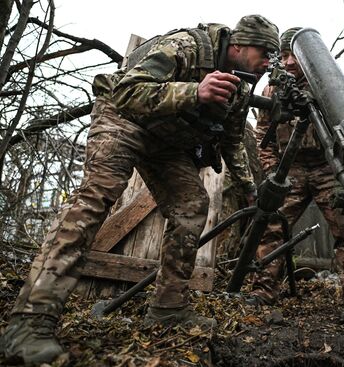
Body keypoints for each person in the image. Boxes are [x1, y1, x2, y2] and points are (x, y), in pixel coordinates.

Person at [0, 15, 279, 365]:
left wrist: (250, 188)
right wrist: (195, 91)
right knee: (96, 197)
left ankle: (168, 307)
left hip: (164, 141)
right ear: (238, 45)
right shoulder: (187, 46)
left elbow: (233, 140)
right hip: (122, 118)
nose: (270, 62)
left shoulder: (240, 86)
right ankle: (29, 321)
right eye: (265, 52)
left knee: (192, 204)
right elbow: (127, 90)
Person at [250, 27, 344, 325]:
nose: (289, 61)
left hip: (329, 169)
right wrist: (271, 172)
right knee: (270, 228)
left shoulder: (331, 86)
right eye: (283, 55)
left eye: (294, 54)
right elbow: (261, 135)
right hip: (288, 170)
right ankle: (261, 293)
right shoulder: (273, 89)